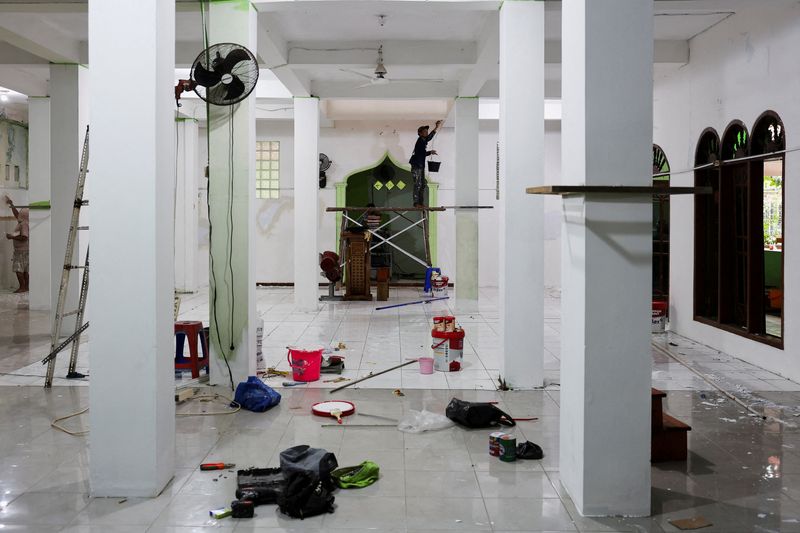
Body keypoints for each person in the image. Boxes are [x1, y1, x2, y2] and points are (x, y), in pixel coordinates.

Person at [409, 120, 442, 207]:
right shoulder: (420, 141)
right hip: (417, 166)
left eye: (427, 131)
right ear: (420, 133)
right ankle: (416, 203)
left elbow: (429, 137)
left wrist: (436, 127)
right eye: (424, 131)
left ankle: (420, 203)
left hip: (420, 166)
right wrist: (430, 152)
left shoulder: (423, 140)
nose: (426, 132)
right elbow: (420, 153)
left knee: (422, 184)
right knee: (418, 184)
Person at [4, 196, 29, 293]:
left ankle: (22, 287)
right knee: (25, 270)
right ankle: (25, 287)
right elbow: (16, 214)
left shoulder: (23, 224)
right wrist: (11, 204)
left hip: (21, 251)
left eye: (20, 214)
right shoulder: (24, 222)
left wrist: (12, 237)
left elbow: (24, 237)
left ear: (23, 216)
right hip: (24, 250)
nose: (18, 215)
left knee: (18, 269)